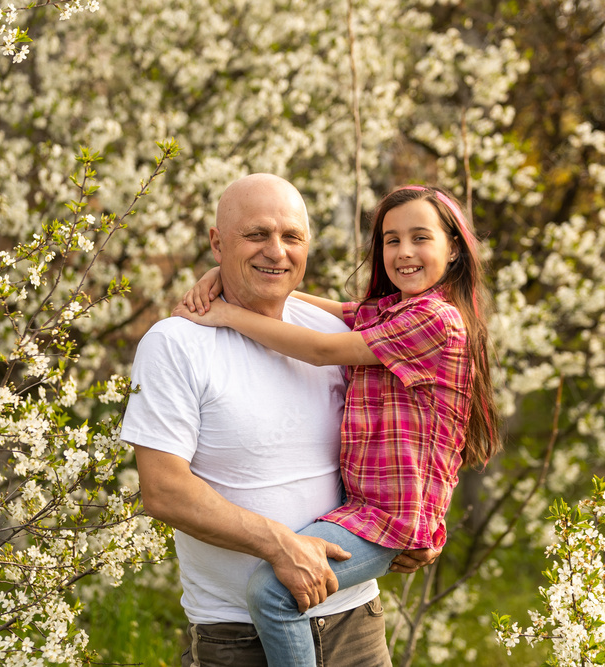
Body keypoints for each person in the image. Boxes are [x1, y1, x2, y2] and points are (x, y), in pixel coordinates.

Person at [175, 184, 502, 667]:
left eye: (420, 238)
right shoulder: (394, 311)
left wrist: (228, 313)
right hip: (366, 510)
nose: (404, 252)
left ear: (454, 248)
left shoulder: (436, 321)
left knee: (272, 594)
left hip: (390, 517)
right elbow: (321, 308)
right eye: (391, 240)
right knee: (277, 590)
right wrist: (224, 274)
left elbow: (321, 349)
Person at [121, 173, 438, 667]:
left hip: (356, 625)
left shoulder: (333, 335)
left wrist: (418, 521)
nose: (277, 251)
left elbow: (415, 426)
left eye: (292, 236)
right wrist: (280, 547)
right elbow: (164, 490)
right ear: (217, 243)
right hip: (239, 635)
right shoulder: (176, 343)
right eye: (256, 235)